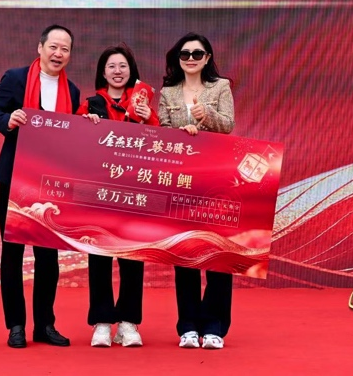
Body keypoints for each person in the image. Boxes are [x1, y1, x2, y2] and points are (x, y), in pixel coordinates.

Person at [0, 25, 81, 349]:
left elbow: (74, 133)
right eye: (53, 46)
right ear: (40, 48)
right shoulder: (16, 78)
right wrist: (8, 120)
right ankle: (15, 325)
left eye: (65, 49)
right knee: (12, 253)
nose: (58, 53)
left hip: (51, 182)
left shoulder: (73, 92)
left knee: (48, 256)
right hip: (16, 177)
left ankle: (45, 325)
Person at [76, 44, 159, 348]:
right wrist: (85, 126)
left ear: (131, 71)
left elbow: (159, 148)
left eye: (123, 66)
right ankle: (101, 322)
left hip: (134, 192)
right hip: (99, 193)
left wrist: (149, 120)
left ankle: (128, 322)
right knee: (99, 256)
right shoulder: (89, 105)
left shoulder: (144, 106)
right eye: (111, 66)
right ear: (103, 72)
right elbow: (76, 147)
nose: (117, 71)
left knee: (132, 257)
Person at [157, 33, 235, 350]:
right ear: (178, 58)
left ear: (207, 58)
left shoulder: (221, 87)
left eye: (197, 53)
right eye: (185, 54)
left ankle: (214, 326)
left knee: (218, 254)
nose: (190, 58)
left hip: (216, 180)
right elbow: (161, 134)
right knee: (185, 253)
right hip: (181, 182)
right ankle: (188, 326)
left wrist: (206, 116)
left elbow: (228, 125)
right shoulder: (167, 92)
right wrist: (180, 133)